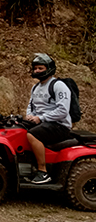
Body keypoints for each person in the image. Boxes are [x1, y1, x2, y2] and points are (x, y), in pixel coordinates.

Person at [25, 53, 72, 184]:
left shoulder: (58, 85)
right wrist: (29, 115)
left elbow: (63, 110)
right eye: (35, 69)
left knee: (32, 135)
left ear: (49, 68)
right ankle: (29, 167)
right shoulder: (35, 87)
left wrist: (41, 118)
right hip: (43, 122)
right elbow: (31, 105)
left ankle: (43, 171)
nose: (37, 71)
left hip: (59, 125)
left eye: (40, 68)